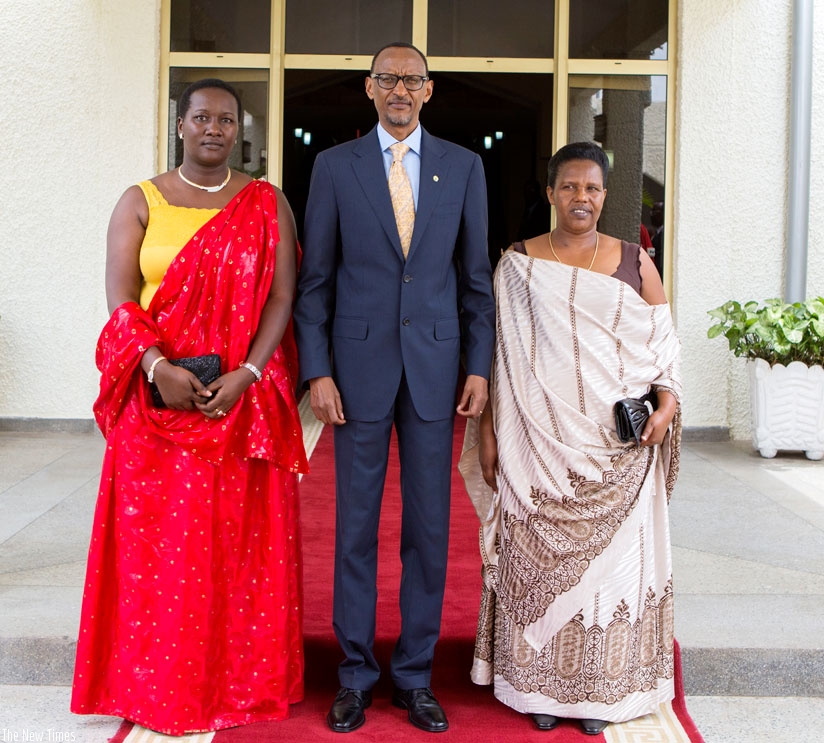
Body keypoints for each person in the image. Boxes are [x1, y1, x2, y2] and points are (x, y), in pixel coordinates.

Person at [71, 79, 308, 735]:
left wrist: (249, 373)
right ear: (181, 125)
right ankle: (153, 681)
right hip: (156, 405)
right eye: (202, 117)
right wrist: (157, 368)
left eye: (226, 120)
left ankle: (237, 679)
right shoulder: (140, 200)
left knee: (235, 548)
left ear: (239, 131)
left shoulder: (265, 202)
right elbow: (122, 300)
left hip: (238, 401)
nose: (213, 128)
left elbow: (282, 297)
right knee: (157, 554)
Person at [293, 42, 495, 734]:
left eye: (412, 80)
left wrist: (478, 366)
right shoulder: (334, 167)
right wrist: (317, 370)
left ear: (429, 90)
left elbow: (475, 279)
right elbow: (315, 281)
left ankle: (414, 676)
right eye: (388, 79)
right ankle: (354, 675)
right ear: (370, 88)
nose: (400, 90)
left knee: (429, 531)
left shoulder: (463, 167)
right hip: (356, 375)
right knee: (353, 529)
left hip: (436, 373)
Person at [460, 142, 682, 736]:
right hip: (535, 447)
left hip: (619, 451)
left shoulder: (635, 261)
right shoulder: (518, 264)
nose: (581, 197)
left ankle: (603, 692)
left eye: (591, 188)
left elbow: (664, 345)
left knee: (613, 573)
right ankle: (538, 688)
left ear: (605, 196)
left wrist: (666, 404)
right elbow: (499, 357)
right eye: (569, 187)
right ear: (552, 193)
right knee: (534, 563)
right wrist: (489, 433)